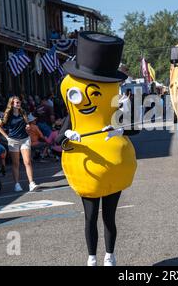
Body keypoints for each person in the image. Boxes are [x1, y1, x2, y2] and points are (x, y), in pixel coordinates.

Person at [58, 31, 138, 266]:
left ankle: (110, 255)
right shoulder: (74, 112)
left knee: (109, 217)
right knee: (90, 217)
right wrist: (68, 137)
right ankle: (92, 257)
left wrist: (120, 129)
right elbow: (61, 137)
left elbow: (134, 128)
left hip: (113, 165)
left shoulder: (115, 106)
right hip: (86, 169)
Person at [0, 96, 39, 193]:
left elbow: (28, 124)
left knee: (27, 162)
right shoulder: (7, 114)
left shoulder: (23, 112)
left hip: (25, 139)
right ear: (12, 104)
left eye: (19, 102)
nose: (19, 104)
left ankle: (31, 183)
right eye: (16, 102)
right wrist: (6, 137)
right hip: (13, 140)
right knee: (16, 163)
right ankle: (16, 184)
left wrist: (28, 126)